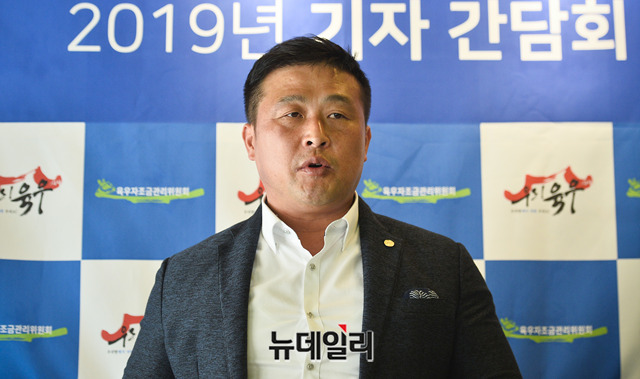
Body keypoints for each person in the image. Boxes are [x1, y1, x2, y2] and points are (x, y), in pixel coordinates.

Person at [124, 36, 521, 378]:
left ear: (365, 142)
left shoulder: (443, 267)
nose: (316, 135)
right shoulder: (184, 278)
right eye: (292, 114)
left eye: (337, 115)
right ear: (251, 141)